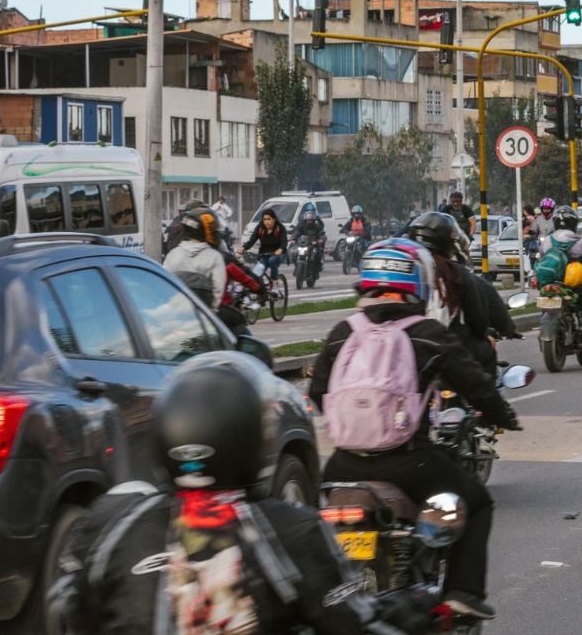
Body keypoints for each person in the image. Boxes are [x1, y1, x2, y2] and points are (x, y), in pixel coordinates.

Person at [52, 354, 388, 634]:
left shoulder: (114, 528)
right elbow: (352, 621)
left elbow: (72, 611)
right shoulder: (292, 531)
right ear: (250, 440)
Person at [309, 240, 521, 620]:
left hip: (341, 468)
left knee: (315, 535)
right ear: (417, 284)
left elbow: (318, 392)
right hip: (408, 462)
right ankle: (462, 594)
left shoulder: (343, 332)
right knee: (477, 503)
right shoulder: (425, 332)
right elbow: (475, 383)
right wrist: (503, 416)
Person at [405, 212, 500, 372]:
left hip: (409, 347)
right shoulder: (456, 272)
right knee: (488, 351)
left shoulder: (409, 270)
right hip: (445, 347)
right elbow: (478, 320)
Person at [537, 205, 582, 338]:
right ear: (574, 223)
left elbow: (541, 260)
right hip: (571, 285)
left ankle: (542, 331)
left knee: (544, 302)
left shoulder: (546, 241)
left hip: (549, 283)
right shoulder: (578, 242)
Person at [164, 206, 228, 309]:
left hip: (174, 313)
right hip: (203, 316)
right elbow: (218, 292)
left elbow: (164, 285)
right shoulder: (215, 257)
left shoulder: (173, 254)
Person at [240, 207, 287, 282]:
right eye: (264, 219)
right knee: (258, 271)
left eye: (269, 219)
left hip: (278, 254)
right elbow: (251, 241)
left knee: (272, 260)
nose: (266, 221)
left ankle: (274, 279)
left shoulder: (280, 228)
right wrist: (243, 248)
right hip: (264, 254)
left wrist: (280, 249)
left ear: (274, 219)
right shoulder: (260, 228)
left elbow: (284, 242)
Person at [294, 208, 328, 272]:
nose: (309, 221)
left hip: (313, 244)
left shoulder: (317, 226)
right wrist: (293, 238)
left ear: (313, 220)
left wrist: (321, 239)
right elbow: (297, 232)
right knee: (294, 253)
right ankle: (296, 268)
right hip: (303, 244)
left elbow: (322, 233)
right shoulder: (302, 225)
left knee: (317, 254)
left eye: (310, 220)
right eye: (308, 220)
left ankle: (317, 270)